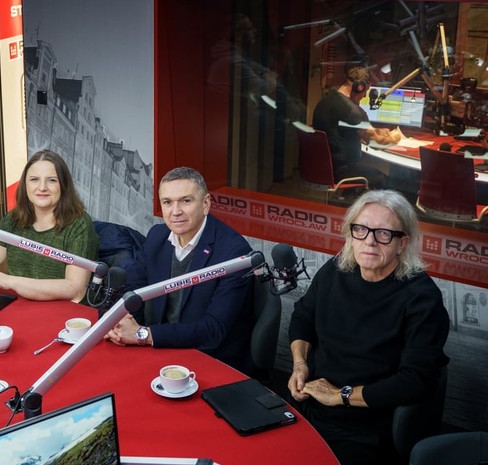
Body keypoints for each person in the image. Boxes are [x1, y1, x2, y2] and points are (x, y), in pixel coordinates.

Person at [287, 189, 450, 465]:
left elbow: (415, 381)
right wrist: (299, 365)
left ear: (402, 243)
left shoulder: (422, 298)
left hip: (364, 429)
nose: (369, 241)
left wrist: (340, 396)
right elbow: (302, 318)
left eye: (383, 233)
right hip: (308, 405)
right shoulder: (334, 271)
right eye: (360, 229)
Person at [104, 167, 254, 372]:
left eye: (186, 201)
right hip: (158, 351)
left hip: (208, 362)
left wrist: (143, 335)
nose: (175, 211)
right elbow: (129, 288)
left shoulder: (234, 252)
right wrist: (113, 322)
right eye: (167, 202)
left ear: (206, 204)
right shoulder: (157, 236)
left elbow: (214, 330)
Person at [0, 150, 99, 303]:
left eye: (51, 180)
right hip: (19, 306)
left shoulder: (79, 225)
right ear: (25, 185)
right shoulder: (13, 218)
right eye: (34, 179)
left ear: (63, 185)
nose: (42, 187)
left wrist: (8, 281)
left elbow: (75, 289)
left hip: (62, 311)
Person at [312, 66, 402, 184]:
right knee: (385, 179)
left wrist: (377, 130)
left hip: (321, 169)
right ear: (360, 87)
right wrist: (396, 137)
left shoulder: (324, 102)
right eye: (366, 91)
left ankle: (351, 193)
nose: (364, 96)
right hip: (341, 172)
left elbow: (341, 130)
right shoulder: (352, 111)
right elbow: (376, 143)